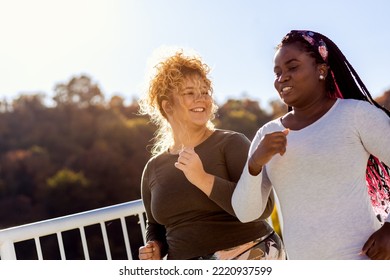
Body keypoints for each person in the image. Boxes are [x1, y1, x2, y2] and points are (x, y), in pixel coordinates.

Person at [232, 30, 390, 260]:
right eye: (277, 72)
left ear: (321, 70)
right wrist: (255, 164)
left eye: (292, 67)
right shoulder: (267, 134)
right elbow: (246, 213)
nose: (282, 78)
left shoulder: (356, 115)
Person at [137, 49, 285, 260]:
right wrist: (155, 247)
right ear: (167, 105)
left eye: (205, 92)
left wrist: (203, 179)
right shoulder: (153, 168)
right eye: (189, 93)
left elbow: (263, 207)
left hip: (249, 253)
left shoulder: (231, 143)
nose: (201, 99)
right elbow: (155, 225)